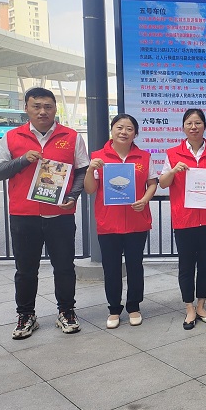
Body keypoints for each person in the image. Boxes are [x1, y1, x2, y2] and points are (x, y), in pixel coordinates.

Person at [0, 87, 88, 339]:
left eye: (48, 106)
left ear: (55, 109)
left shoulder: (72, 136)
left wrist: (72, 196)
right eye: (37, 106)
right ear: (26, 108)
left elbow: (81, 171)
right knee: (25, 270)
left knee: (64, 267)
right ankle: (26, 315)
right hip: (24, 215)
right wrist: (23, 160)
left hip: (60, 215)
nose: (43, 111)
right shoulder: (11, 137)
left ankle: (66, 311)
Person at [84, 114, 157, 328]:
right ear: (112, 129)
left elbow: (152, 183)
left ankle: (134, 306)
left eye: (129, 128)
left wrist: (144, 199)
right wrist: (90, 169)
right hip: (109, 223)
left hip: (136, 221)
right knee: (111, 268)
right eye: (119, 127)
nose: (124, 132)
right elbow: (90, 189)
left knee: (135, 266)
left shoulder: (144, 157)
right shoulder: (98, 157)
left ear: (135, 133)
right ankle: (114, 309)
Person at [159, 109, 206, 330]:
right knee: (186, 265)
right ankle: (189, 308)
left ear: (205, 126)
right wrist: (173, 171)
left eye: (198, 123)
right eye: (189, 123)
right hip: (184, 219)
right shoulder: (172, 154)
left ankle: (201, 306)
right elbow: (163, 183)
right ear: (183, 127)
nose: (193, 127)